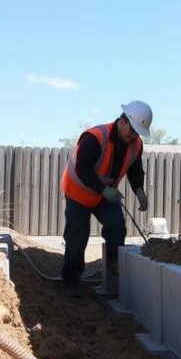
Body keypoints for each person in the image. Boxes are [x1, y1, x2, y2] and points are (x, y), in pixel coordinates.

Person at [61, 101, 152, 298]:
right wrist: (102, 190)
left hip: (105, 194)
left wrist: (139, 190)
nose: (134, 136)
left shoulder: (135, 145)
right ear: (123, 121)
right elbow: (82, 168)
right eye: (133, 131)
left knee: (117, 224)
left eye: (138, 133)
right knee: (77, 235)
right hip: (79, 191)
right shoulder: (95, 137)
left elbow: (135, 171)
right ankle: (71, 280)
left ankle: (114, 264)